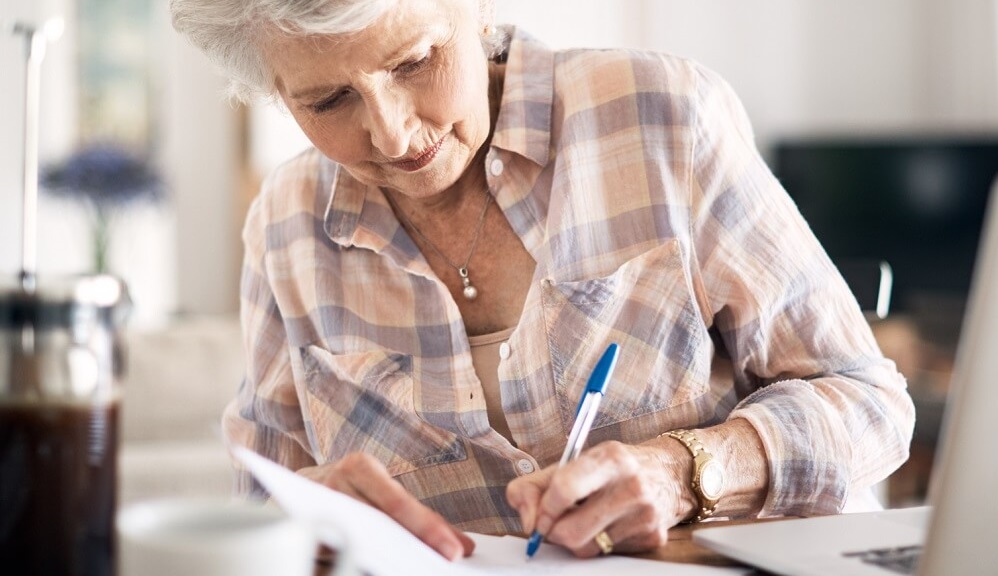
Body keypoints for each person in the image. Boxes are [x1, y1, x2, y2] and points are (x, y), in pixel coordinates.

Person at [169, 0, 916, 562]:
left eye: (414, 62)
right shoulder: (287, 225)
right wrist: (303, 530)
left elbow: (870, 401)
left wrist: (687, 471)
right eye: (327, 101)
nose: (393, 133)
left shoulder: (662, 117)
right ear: (273, 89)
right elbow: (258, 508)